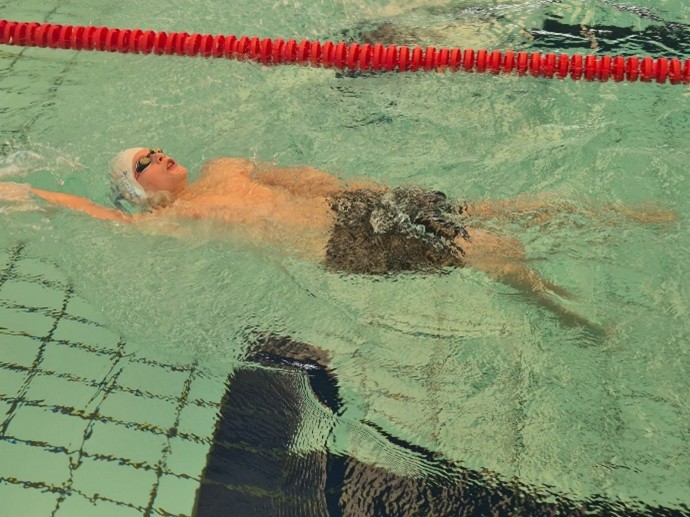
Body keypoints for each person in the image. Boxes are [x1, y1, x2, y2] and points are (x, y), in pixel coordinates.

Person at [2, 147, 676, 333]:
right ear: (140, 190)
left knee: (500, 211)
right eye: (145, 163)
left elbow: (307, 179)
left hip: (357, 208)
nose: (159, 156)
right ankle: (567, 313)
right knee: (496, 253)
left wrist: (376, 192)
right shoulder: (172, 219)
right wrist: (35, 195)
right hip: (347, 248)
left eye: (154, 149)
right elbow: (106, 222)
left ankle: (629, 216)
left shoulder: (226, 168)